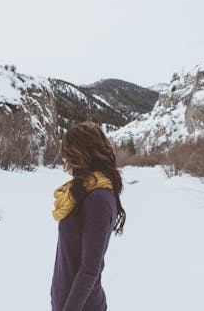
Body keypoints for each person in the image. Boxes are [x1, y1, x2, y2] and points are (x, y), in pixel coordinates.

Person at [50, 121, 126, 311]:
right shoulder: (81, 191)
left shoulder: (98, 199)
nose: (64, 159)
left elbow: (89, 269)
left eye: (67, 153)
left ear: (80, 154)